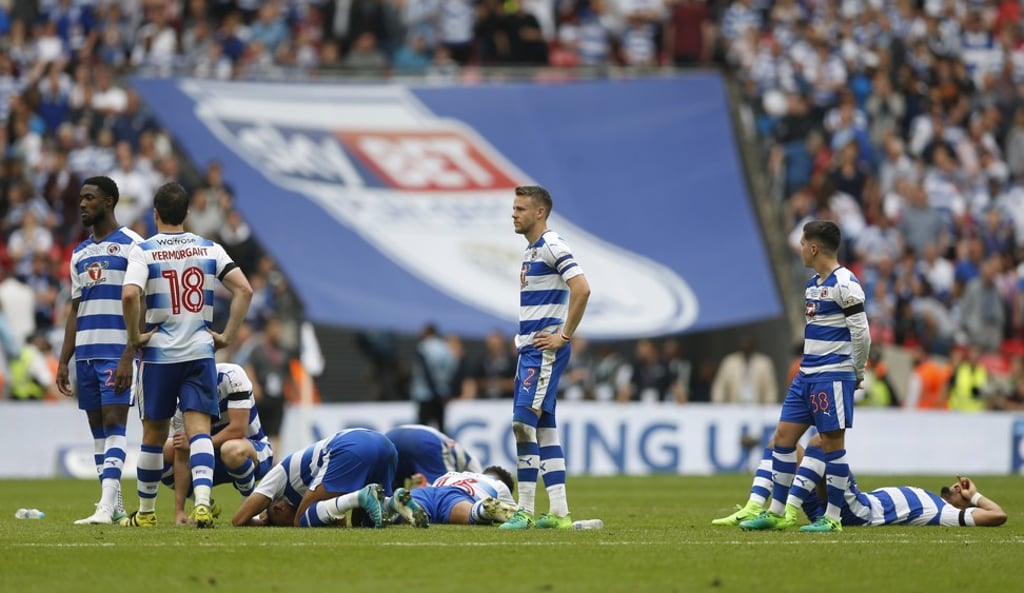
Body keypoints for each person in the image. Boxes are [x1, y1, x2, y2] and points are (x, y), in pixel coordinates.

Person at [117, 182, 253, 529]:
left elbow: (131, 296)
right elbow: (244, 289)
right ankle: (203, 505)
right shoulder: (209, 248)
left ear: (156, 214)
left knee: (153, 434)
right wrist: (225, 335)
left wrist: (135, 337)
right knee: (200, 432)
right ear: (188, 214)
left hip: (160, 355)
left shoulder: (143, 251)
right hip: (198, 352)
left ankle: (146, 514)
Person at [740, 220, 870, 533]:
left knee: (831, 444)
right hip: (807, 374)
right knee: (783, 438)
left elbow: (861, 332)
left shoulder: (846, 283)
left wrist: (857, 370)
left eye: (802, 243)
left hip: (832, 374)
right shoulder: (813, 284)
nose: (799, 248)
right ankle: (775, 512)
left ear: (813, 247)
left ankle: (833, 518)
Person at [501, 185, 591, 530]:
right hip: (530, 349)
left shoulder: (553, 245)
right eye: (513, 208)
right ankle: (558, 512)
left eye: (521, 208)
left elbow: (581, 288)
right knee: (543, 430)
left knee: (522, 425)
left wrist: (564, 336)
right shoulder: (530, 252)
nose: (514, 213)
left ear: (539, 213)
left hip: (543, 351)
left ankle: (523, 510)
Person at [55, 176, 143, 525]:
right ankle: (115, 505)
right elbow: (76, 310)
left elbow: (144, 303)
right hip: (87, 355)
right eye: (80, 198)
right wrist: (64, 360)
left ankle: (105, 508)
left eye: (89, 198)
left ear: (108, 202)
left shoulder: (134, 246)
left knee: (114, 423)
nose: (82, 204)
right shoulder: (79, 253)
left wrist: (130, 352)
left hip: (116, 351)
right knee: (97, 431)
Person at [714, 436, 1007, 529]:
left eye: (962, 492)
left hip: (860, 510)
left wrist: (976, 495)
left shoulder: (944, 514)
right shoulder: (934, 499)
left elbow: (998, 515)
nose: (959, 487)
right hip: (845, 502)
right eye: (961, 487)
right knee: (782, 442)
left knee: (821, 442)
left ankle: (786, 513)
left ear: (965, 506)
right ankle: (756, 507)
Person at [161, 363, 275, 525]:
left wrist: (197, 443)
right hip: (212, 460)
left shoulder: (233, 376)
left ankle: (249, 506)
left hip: (254, 450)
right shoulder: (183, 406)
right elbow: (182, 458)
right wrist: (179, 510)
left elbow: (238, 429)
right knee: (161, 452)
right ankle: (203, 500)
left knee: (231, 450)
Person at [231, 428, 395, 528]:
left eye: (281, 523)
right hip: (385, 444)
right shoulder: (305, 485)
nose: (286, 526)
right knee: (365, 523)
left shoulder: (277, 475)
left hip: (350, 446)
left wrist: (263, 522)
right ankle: (395, 503)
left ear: (277, 508)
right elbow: (339, 523)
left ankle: (362, 496)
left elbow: (238, 520)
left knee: (301, 520)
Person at [401, 467, 519, 527]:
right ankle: (483, 510)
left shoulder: (454, 473)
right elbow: (520, 515)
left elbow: (436, 488)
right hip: (455, 497)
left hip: (428, 492)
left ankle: (389, 504)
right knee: (472, 514)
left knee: (401, 513)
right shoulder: (499, 484)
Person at [385, 423, 483, 491]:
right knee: (442, 489)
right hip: (425, 441)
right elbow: (481, 482)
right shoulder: (471, 463)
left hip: (390, 437)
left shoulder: (460, 454)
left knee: (388, 487)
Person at [409, 323, 455, 433]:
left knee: (422, 429)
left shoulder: (423, 347)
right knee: (441, 428)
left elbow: (426, 371)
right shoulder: (445, 347)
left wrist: (434, 390)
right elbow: (452, 368)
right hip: (441, 394)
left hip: (425, 394)